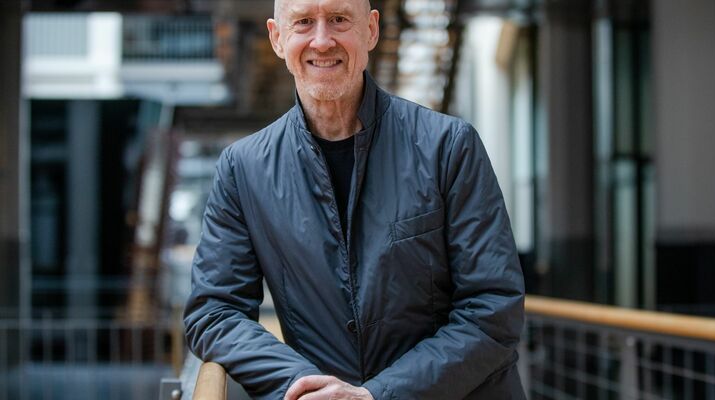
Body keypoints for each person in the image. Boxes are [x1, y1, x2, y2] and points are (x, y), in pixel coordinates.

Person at [183, 0, 526, 398]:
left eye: (340, 19)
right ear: (277, 38)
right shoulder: (242, 170)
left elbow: (493, 308)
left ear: (372, 31)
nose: (322, 40)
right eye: (304, 23)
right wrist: (298, 382)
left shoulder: (448, 147)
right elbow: (214, 312)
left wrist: (378, 395)